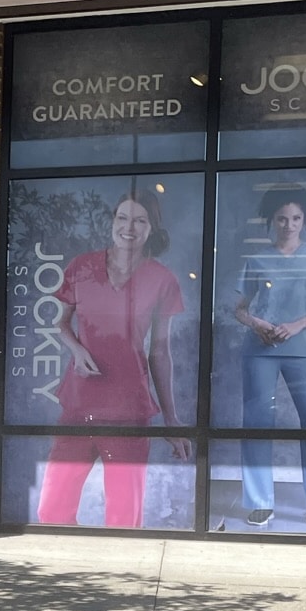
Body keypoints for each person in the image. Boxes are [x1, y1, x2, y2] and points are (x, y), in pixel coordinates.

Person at [35, 191, 190, 531]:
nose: (129, 227)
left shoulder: (163, 280)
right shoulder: (82, 266)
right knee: (52, 513)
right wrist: (77, 350)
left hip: (129, 413)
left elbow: (160, 352)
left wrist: (172, 420)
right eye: (122, 217)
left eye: (139, 220)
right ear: (112, 222)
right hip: (78, 406)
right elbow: (61, 323)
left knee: (123, 520)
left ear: (152, 228)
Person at [232, 186, 306, 529]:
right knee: (257, 424)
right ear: (271, 220)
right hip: (260, 351)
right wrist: (258, 323)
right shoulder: (257, 260)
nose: (289, 224)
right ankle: (260, 503)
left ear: (305, 219)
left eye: (295, 218)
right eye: (282, 218)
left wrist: (297, 325)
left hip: (302, 350)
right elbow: (238, 310)